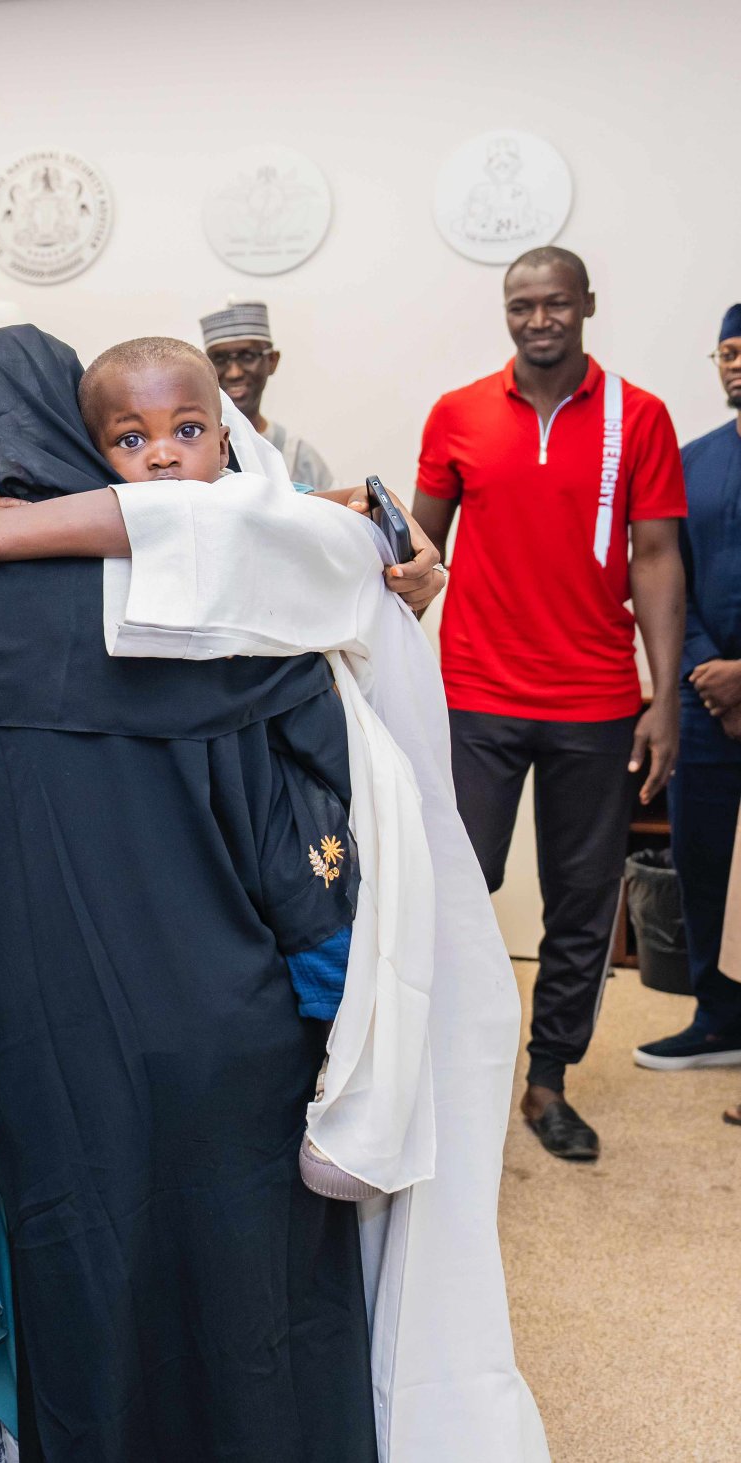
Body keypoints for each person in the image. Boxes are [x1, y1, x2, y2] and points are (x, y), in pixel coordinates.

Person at [0, 329, 544, 1459]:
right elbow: (299, 819)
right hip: (245, 1014)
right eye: (130, 440)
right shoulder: (224, 592)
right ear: (86, 440)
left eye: (187, 431)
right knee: (264, 1299)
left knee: (95, 1299)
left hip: (74, 1042)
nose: (162, 457)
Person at [412, 246, 687, 1162]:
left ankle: (548, 1081)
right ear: (507, 311)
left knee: (581, 900)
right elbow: (419, 549)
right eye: (522, 304)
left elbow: (656, 557)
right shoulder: (457, 414)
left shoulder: (638, 416)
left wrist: (663, 698)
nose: (539, 319)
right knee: (458, 885)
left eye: (556, 303)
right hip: (476, 694)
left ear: (587, 305)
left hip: (596, 700)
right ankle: (447, 1066)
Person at [637, 305, 741, 1073]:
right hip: (704, 703)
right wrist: (707, 668)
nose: (735, 363)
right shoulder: (690, 461)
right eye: (726, 352)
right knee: (702, 857)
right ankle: (717, 1018)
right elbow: (665, 572)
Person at [201, 299, 333, 488]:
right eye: (220, 359)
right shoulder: (193, 448)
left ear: (272, 361)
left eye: (247, 357)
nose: (234, 373)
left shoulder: (297, 455)